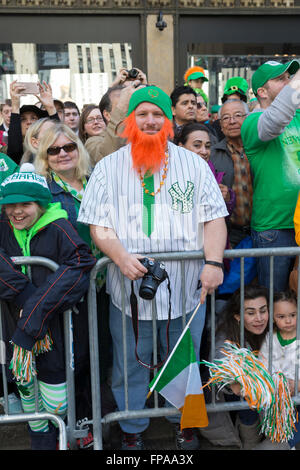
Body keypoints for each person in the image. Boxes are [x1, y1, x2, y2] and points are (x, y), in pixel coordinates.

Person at [78, 85, 228, 450]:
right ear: (130, 120)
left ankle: (185, 425)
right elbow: (99, 224)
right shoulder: (108, 168)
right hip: (127, 293)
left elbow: (214, 219)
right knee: (129, 365)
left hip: (186, 291)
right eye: (142, 114)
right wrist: (119, 256)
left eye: (157, 114)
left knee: (184, 362)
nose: (149, 121)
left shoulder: (194, 164)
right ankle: (132, 430)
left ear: (167, 121)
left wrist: (213, 263)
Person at [0, 171, 96, 450]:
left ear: (40, 204)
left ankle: (59, 439)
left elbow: (80, 263)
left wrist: (35, 309)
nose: (17, 211)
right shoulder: (3, 226)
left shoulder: (60, 227)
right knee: (27, 391)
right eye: (10, 205)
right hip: (14, 329)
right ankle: (41, 444)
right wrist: (25, 294)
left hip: (55, 329)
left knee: (56, 402)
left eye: (26, 204)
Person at [35, 122, 113, 439]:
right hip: (69, 288)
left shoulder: (98, 181)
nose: (63, 154)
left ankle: (98, 423)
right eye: (54, 150)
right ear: (45, 156)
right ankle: (79, 426)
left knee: (103, 355)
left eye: (69, 147)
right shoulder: (43, 191)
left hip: (106, 284)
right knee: (77, 357)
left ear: (78, 149)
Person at [241, 60, 300, 292]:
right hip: (275, 228)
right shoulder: (252, 122)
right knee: (276, 302)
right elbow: (274, 121)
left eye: (289, 77)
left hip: (299, 222)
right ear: (262, 92)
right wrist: (295, 85)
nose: (288, 82)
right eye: (280, 79)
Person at [200, 285, 269, 449]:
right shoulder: (225, 332)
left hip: (265, 401)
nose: (259, 318)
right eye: (251, 313)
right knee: (246, 391)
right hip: (229, 404)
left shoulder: (280, 325)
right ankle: (251, 441)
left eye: (263, 310)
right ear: (238, 316)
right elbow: (220, 360)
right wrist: (235, 379)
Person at [257, 290, 300, 450]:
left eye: (293, 315)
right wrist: (278, 383)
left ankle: (286, 443)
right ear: (273, 318)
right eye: (281, 317)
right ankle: (278, 439)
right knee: (272, 410)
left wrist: (297, 384)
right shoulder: (270, 337)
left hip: (298, 389)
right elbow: (264, 363)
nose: (288, 321)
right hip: (278, 391)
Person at [210, 99, 252, 247]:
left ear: (247, 118)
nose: (232, 121)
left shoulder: (259, 149)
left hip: (262, 230)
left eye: (238, 115)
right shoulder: (212, 155)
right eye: (226, 118)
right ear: (221, 125)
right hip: (229, 234)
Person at [85, 69, 147, 166]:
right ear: (107, 115)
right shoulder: (93, 142)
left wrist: (145, 90)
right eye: (125, 105)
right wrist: (122, 106)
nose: (130, 110)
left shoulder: (146, 133)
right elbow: (110, 156)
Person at [175, 122, 235, 217]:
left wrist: (228, 199)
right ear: (181, 147)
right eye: (197, 145)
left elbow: (222, 219)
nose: (204, 151)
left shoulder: (212, 174)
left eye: (207, 146)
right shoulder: (169, 175)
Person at [7, 81, 60, 165]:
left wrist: (50, 107)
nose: (29, 122)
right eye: (23, 119)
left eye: (33, 118)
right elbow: (14, 150)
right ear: (17, 125)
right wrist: (15, 105)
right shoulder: (11, 149)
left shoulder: (49, 146)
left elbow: (59, 135)